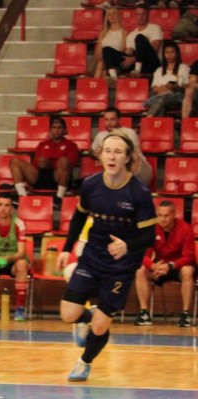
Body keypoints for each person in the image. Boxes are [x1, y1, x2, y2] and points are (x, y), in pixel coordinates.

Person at [57, 131, 156, 382]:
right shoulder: (90, 185)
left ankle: (84, 361)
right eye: (108, 151)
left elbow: (150, 237)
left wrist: (127, 245)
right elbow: (80, 216)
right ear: (100, 155)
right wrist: (67, 248)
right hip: (92, 257)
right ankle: (85, 318)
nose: (112, 156)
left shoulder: (139, 193)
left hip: (121, 266)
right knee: (68, 314)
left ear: (127, 158)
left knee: (101, 326)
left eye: (118, 152)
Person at [133, 200, 195, 327]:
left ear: (174, 214)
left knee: (188, 270)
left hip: (178, 267)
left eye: (166, 216)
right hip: (159, 266)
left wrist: (170, 266)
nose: (162, 219)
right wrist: (152, 266)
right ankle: (144, 313)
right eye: (159, 215)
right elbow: (144, 255)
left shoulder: (185, 228)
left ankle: (186, 314)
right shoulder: (152, 229)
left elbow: (189, 257)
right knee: (140, 270)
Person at [7, 117, 79, 209]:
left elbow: (71, 164)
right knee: (14, 161)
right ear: (50, 130)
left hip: (58, 178)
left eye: (59, 127)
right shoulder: (42, 145)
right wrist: (41, 164)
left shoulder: (72, 145)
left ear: (65, 130)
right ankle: (22, 196)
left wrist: (51, 164)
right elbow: (35, 165)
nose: (56, 130)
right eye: (54, 127)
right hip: (41, 176)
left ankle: (59, 198)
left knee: (64, 160)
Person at [0, 194, 30, 321]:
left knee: (22, 264)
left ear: (12, 208)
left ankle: (19, 308)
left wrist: (5, 259)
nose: (3, 208)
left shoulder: (19, 224)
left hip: (12, 262)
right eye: (0, 204)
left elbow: (21, 252)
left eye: (7, 205)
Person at [91, 107, 151, 186]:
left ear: (119, 120)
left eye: (112, 119)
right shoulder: (101, 135)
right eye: (106, 119)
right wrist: (99, 156)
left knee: (127, 158)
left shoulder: (129, 132)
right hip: (117, 172)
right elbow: (91, 150)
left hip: (139, 170)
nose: (109, 123)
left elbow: (132, 154)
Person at [143, 41, 189, 117]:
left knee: (164, 98)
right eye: (166, 52)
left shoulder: (184, 68)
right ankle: (154, 125)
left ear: (177, 54)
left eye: (172, 52)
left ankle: (148, 117)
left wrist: (175, 87)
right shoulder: (159, 70)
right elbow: (154, 89)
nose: (169, 55)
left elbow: (187, 86)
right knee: (162, 105)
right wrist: (165, 88)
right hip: (161, 96)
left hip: (177, 97)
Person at [123, 4, 163, 76]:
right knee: (107, 50)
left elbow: (155, 50)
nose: (140, 17)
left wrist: (134, 59)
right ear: (135, 16)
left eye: (143, 14)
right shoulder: (131, 35)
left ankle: (137, 70)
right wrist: (125, 60)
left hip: (152, 64)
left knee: (140, 38)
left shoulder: (155, 28)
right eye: (138, 14)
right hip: (136, 64)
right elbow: (128, 53)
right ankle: (114, 75)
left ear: (147, 15)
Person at [96, 4, 128, 81]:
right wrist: (100, 57)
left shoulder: (124, 33)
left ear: (118, 16)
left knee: (104, 60)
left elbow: (124, 50)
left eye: (114, 13)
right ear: (107, 18)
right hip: (103, 60)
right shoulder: (103, 34)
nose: (111, 16)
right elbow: (98, 53)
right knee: (102, 64)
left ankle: (94, 87)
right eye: (109, 14)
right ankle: (111, 79)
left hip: (117, 60)